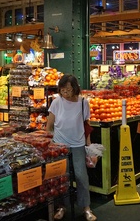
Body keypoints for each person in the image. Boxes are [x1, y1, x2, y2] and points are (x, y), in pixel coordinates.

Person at [46, 74, 97, 221]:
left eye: (69, 90)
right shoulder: (56, 102)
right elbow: (49, 126)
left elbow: (86, 125)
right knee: (62, 177)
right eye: (63, 90)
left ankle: (86, 207)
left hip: (78, 144)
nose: (66, 93)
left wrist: (89, 146)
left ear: (75, 89)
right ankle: (62, 206)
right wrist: (51, 145)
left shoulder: (83, 103)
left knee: (81, 176)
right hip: (60, 145)